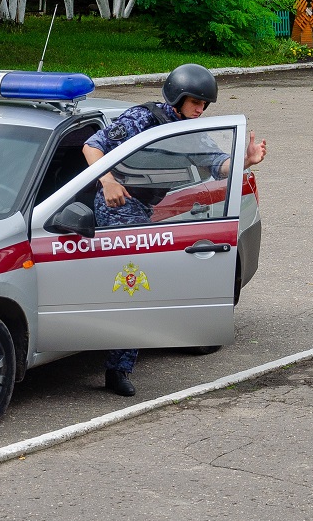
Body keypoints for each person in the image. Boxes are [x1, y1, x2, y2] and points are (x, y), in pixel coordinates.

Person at [80, 63, 268, 397]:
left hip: (147, 210)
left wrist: (246, 160)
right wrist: (107, 181)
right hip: (117, 205)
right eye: (196, 101)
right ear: (178, 96)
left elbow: (217, 164)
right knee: (131, 287)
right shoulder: (142, 119)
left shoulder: (189, 130)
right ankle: (115, 366)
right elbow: (92, 147)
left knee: (140, 288)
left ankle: (119, 367)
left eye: (205, 104)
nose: (201, 108)